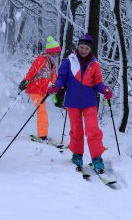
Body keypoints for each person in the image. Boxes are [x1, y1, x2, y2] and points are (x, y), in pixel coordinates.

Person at [47, 33, 113, 173]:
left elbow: (98, 84)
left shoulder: (94, 64)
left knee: (93, 131)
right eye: (81, 47)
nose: (83, 50)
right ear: (77, 47)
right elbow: (61, 79)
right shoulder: (69, 62)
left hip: (90, 103)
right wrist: (56, 86)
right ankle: (77, 155)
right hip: (72, 102)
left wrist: (105, 89)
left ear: (90, 50)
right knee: (76, 130)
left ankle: (96, 158)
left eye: (86, 48)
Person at [19, 36, 61, 140]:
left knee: (42, 110)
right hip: (34, 88)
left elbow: (53, 78)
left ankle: (43, 134)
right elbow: (32, 70)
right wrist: (26, 80)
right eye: (57, 52)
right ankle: (42, 135)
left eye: (58, 52)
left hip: (41, 91)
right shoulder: (42, 59)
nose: (58, 54)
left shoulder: (52, 63)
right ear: (51, 52)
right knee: (42, 110)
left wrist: (60, 85)